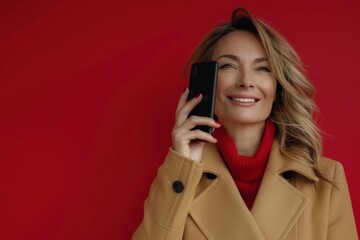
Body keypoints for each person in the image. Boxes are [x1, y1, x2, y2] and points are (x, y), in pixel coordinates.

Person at [132, 8, 358, 240]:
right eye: (229, 66)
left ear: (278, 87)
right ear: (207, 84)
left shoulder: (326, 181)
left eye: (262, 68)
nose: (246, 81)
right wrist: (183, 165)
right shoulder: (181, 179)